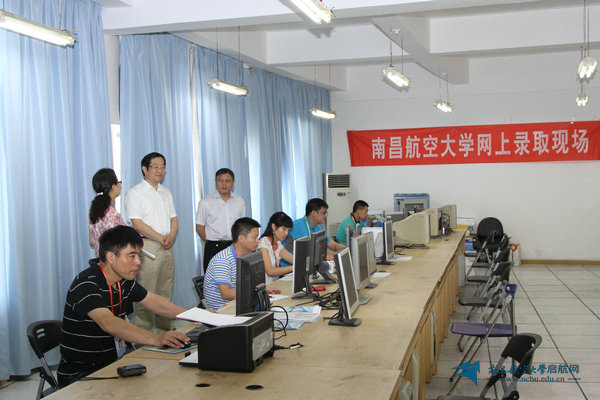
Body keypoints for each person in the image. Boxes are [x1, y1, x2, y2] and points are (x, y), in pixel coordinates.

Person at [58, 225, 189, 387]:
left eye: (139, 255)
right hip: (82, 375)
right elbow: (108, 322)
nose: (138, 262)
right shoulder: (86, 284)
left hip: (114, 363)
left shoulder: (124, 281)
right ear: (111, 257)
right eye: (131, 256)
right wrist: (156, 339)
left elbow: (153, 301)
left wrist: (195, 315)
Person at [124, 152, 178, 333]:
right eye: (155, 166)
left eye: (162, 167)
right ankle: (144, 336)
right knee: (146, 293)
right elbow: (137, 223)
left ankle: (165, 332)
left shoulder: (166, 192)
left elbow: (174, 218)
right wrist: (160, 238)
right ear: (144, 169)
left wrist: (171, 236)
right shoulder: (135, 193)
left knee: (165, 291)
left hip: (167, 245)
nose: (159, 170)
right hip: (147, 246)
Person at [203, 217, 260, 311]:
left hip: (241, 305)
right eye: (255, 237)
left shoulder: (246, 257)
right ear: (241, 238)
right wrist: (254, 295)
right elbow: (226, 294)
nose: (257, 241)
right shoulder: (223, 259)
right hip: (222, 310)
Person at [196, 168, 246, 273]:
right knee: (214, 278)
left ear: (233, 182)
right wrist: (210, 242)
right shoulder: (205, 202)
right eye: (220, 180)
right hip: (213, 248)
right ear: (215, 182)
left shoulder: (239, 201)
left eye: (227, 180)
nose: (224, 184)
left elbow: (242, 226)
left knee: (236, 277)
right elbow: (199, 227)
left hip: (234, 246)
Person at [282, 198, 346, 266]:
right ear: (313, 213)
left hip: (306, 264)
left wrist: (345, 249)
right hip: (291, 267)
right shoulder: (299, 226)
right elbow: (309, 252)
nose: (326, 215)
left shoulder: (317, 228)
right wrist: (332, 254)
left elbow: (333, 245)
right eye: (324, 213)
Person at [89, 168, 126, 257]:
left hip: (101, 260)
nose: (120, 185)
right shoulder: (112, 214)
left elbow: (92, 242)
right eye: (118, 182)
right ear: (113, 187)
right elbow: (117, 243)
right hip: (113, 261)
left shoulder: (94, 211)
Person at [257, 212, 294, 283]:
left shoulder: (277, 242)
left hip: (275, 284)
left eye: (288, 230)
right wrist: (293, 267)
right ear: (273, 226)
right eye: (284, 229)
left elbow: (293, 259)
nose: (286, 233)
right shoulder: (263, 243)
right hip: (265, 286)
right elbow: (270, 271)